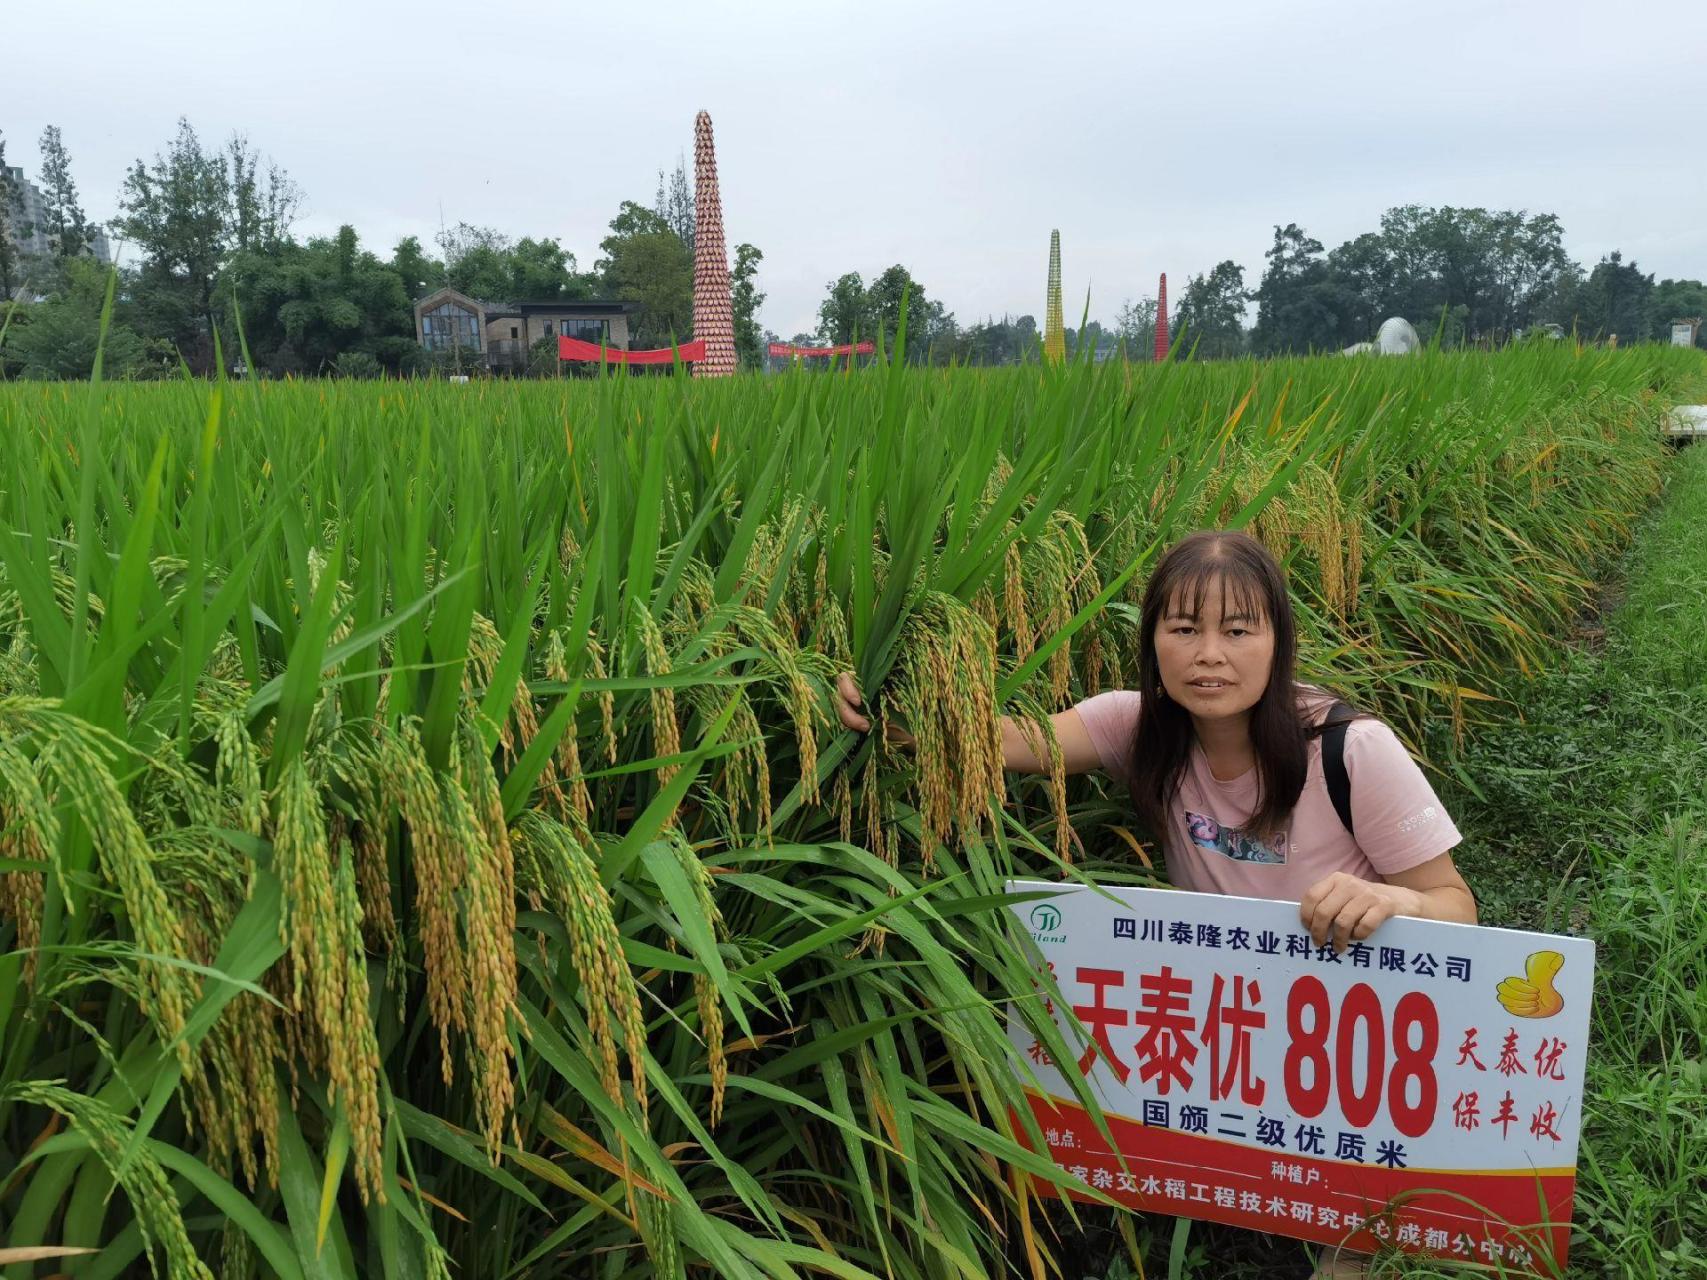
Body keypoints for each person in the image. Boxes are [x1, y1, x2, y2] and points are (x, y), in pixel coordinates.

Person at [833, 529, 1476, 1280]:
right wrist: (877, 699)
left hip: (1335, 1021)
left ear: (1276, 642)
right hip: (1220, 1012)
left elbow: (1454, 904)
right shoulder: (1136, 727)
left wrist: (1386, 899)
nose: (1209, 654)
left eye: (1237, 631)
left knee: (1340, 1242)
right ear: (1154, 644)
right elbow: (989, 741)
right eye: (1183, 629)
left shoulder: (1348, 749)